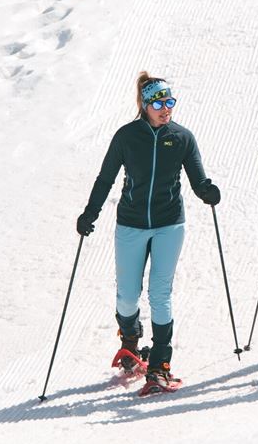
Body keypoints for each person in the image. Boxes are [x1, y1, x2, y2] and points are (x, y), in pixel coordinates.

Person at [77, 72, 220, 394]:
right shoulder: (126, 137)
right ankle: (130, 341)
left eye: (169, 102)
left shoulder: (182, 137)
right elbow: (105, 179)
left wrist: (208, 191)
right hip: (131, 223)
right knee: (127, 296)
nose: (165, 108)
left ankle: (159, 365)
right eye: (158, 102)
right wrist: (90, 213)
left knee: (160, 294)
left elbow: (199, 180)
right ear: (144, 105)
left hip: (170, 224)